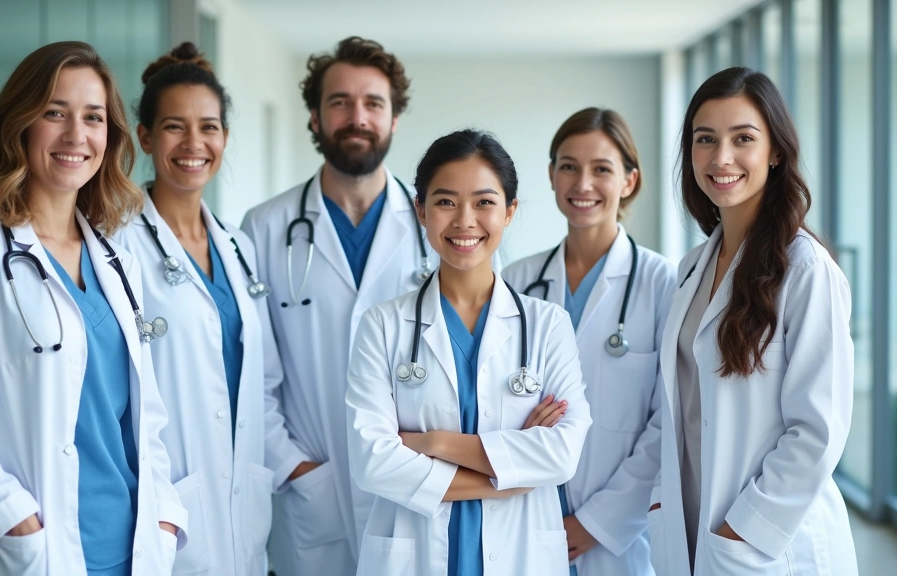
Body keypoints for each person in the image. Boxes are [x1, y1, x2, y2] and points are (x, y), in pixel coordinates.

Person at [0, 41, 185, 576]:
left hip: (133, 545)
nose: (77, 135)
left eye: (93, 117)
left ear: (110, 136)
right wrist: (13, 519)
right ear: (21, 124)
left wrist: (164, 516)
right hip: (30, 549)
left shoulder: (117, 258)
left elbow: (143, 416)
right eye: (56, 113)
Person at [345, 129, 592, 576]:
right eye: (444, 202)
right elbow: (372, 462)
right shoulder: (381, 325)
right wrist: (505, 479)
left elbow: (561, 454)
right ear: (420, 210)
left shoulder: (547, 324)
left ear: (509, 211)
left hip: (522, 555)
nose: (464, 221)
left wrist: (433, 444)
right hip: (414, 555)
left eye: (483, 202)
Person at [647, 67, 857, 576]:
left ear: (776, 152)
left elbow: (818, 431)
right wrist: (661, 500)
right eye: (705, 139)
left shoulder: (806, 269)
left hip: (766, 541)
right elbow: (682, 404)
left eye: (743, 138)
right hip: (691, 521)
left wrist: (743, 529)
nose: (721, 158)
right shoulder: (693, 267)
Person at [240, 36, 432, 576]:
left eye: (374, 103)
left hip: (411, 482)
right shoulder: (265, 228)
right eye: (340, 102)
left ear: (394, 119)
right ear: (315, 117)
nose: (357, 117)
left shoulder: (435, 226)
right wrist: (294, 468)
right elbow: (254, 369)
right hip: (309, 490)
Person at [113, 42, 292, 576]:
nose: (194, 143)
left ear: (226, 137)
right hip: (164, 501)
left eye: (209, 127)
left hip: (243, 497)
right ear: (144, 137)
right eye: (174, 126)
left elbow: (260, 381)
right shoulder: (115, 245)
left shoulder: (238, 247)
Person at [503, 108, 674, 575]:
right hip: (528, 512)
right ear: (551, 176)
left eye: (601, 169)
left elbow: (668, 422)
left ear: (629, 181)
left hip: (617, 536)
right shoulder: (517, 280)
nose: (583, 184)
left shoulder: (662, 282)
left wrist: (597, 523)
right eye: (569, 167)